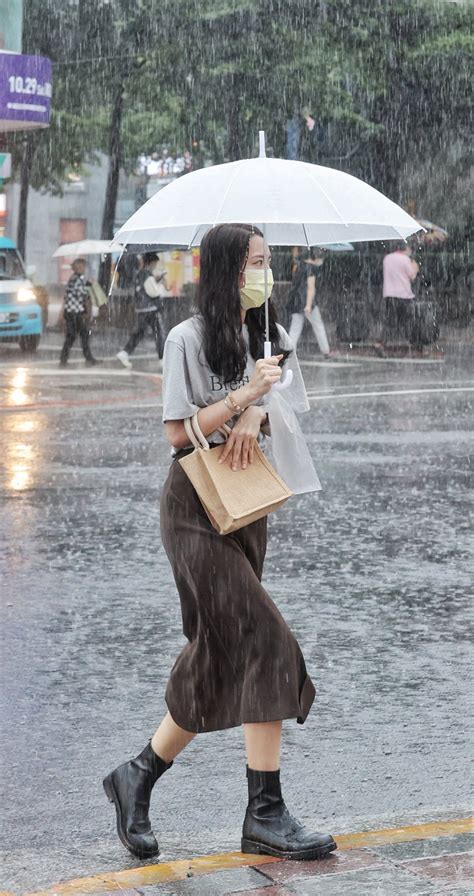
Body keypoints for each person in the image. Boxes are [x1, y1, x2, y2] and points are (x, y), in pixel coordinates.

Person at [103, 224, 336, 863]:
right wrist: (245, 396)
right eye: (255, 263)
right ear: (229, 269)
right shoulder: (186, 339)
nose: (265, 273)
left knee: (224, 651)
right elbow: (180, 435)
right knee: (267, 640)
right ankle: (265, 812)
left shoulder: (272, 335)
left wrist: (262, 409)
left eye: (269, 262)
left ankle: (138, 776)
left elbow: (286, 404)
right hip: (194, 508)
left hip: (248, 504)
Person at [116, 252, 167, 368]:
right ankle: (162, 357)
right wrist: (160, 286)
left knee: (139, 333)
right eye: (155, 263)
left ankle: (125, 352)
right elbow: (153, 292)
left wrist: (156, 280)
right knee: (159, 333)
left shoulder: (139, 274)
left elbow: (144, 288)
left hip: (141, 309)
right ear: (151, 262)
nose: (155, 265)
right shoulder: (147, 274)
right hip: (152, 309)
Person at [287, 248, 332, 357]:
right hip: (307, 302)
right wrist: (308, 305)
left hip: (296, 301)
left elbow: (296, 285)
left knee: (295, 328)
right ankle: (326, 351)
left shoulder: (298, 266)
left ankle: (289, 352)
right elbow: (310, 288)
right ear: (315, 258)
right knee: (318, 325)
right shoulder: (311, 269)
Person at [59, 258, 98, 367]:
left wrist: (88, 284)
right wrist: (89, 285)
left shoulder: (76, 278)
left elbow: (81, 291)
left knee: (81, 335)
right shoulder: (76, 278)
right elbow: (82, 294)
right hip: (74, 313)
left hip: (73, 312)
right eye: (82, 266)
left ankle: (86, 358)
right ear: (78, 267)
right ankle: (65, 359)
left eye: (84, 266)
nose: (84, 268)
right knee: (73, 336)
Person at [383, 242, 419, 345]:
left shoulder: (387, 258)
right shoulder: (405, 260)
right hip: (404, 295)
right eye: (409, 250)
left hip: (389, 294)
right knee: (408, 320)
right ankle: (414, 342)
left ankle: (382, 342)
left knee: (390, 321)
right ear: (406, 249)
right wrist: (415, 268)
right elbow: (412, 276)